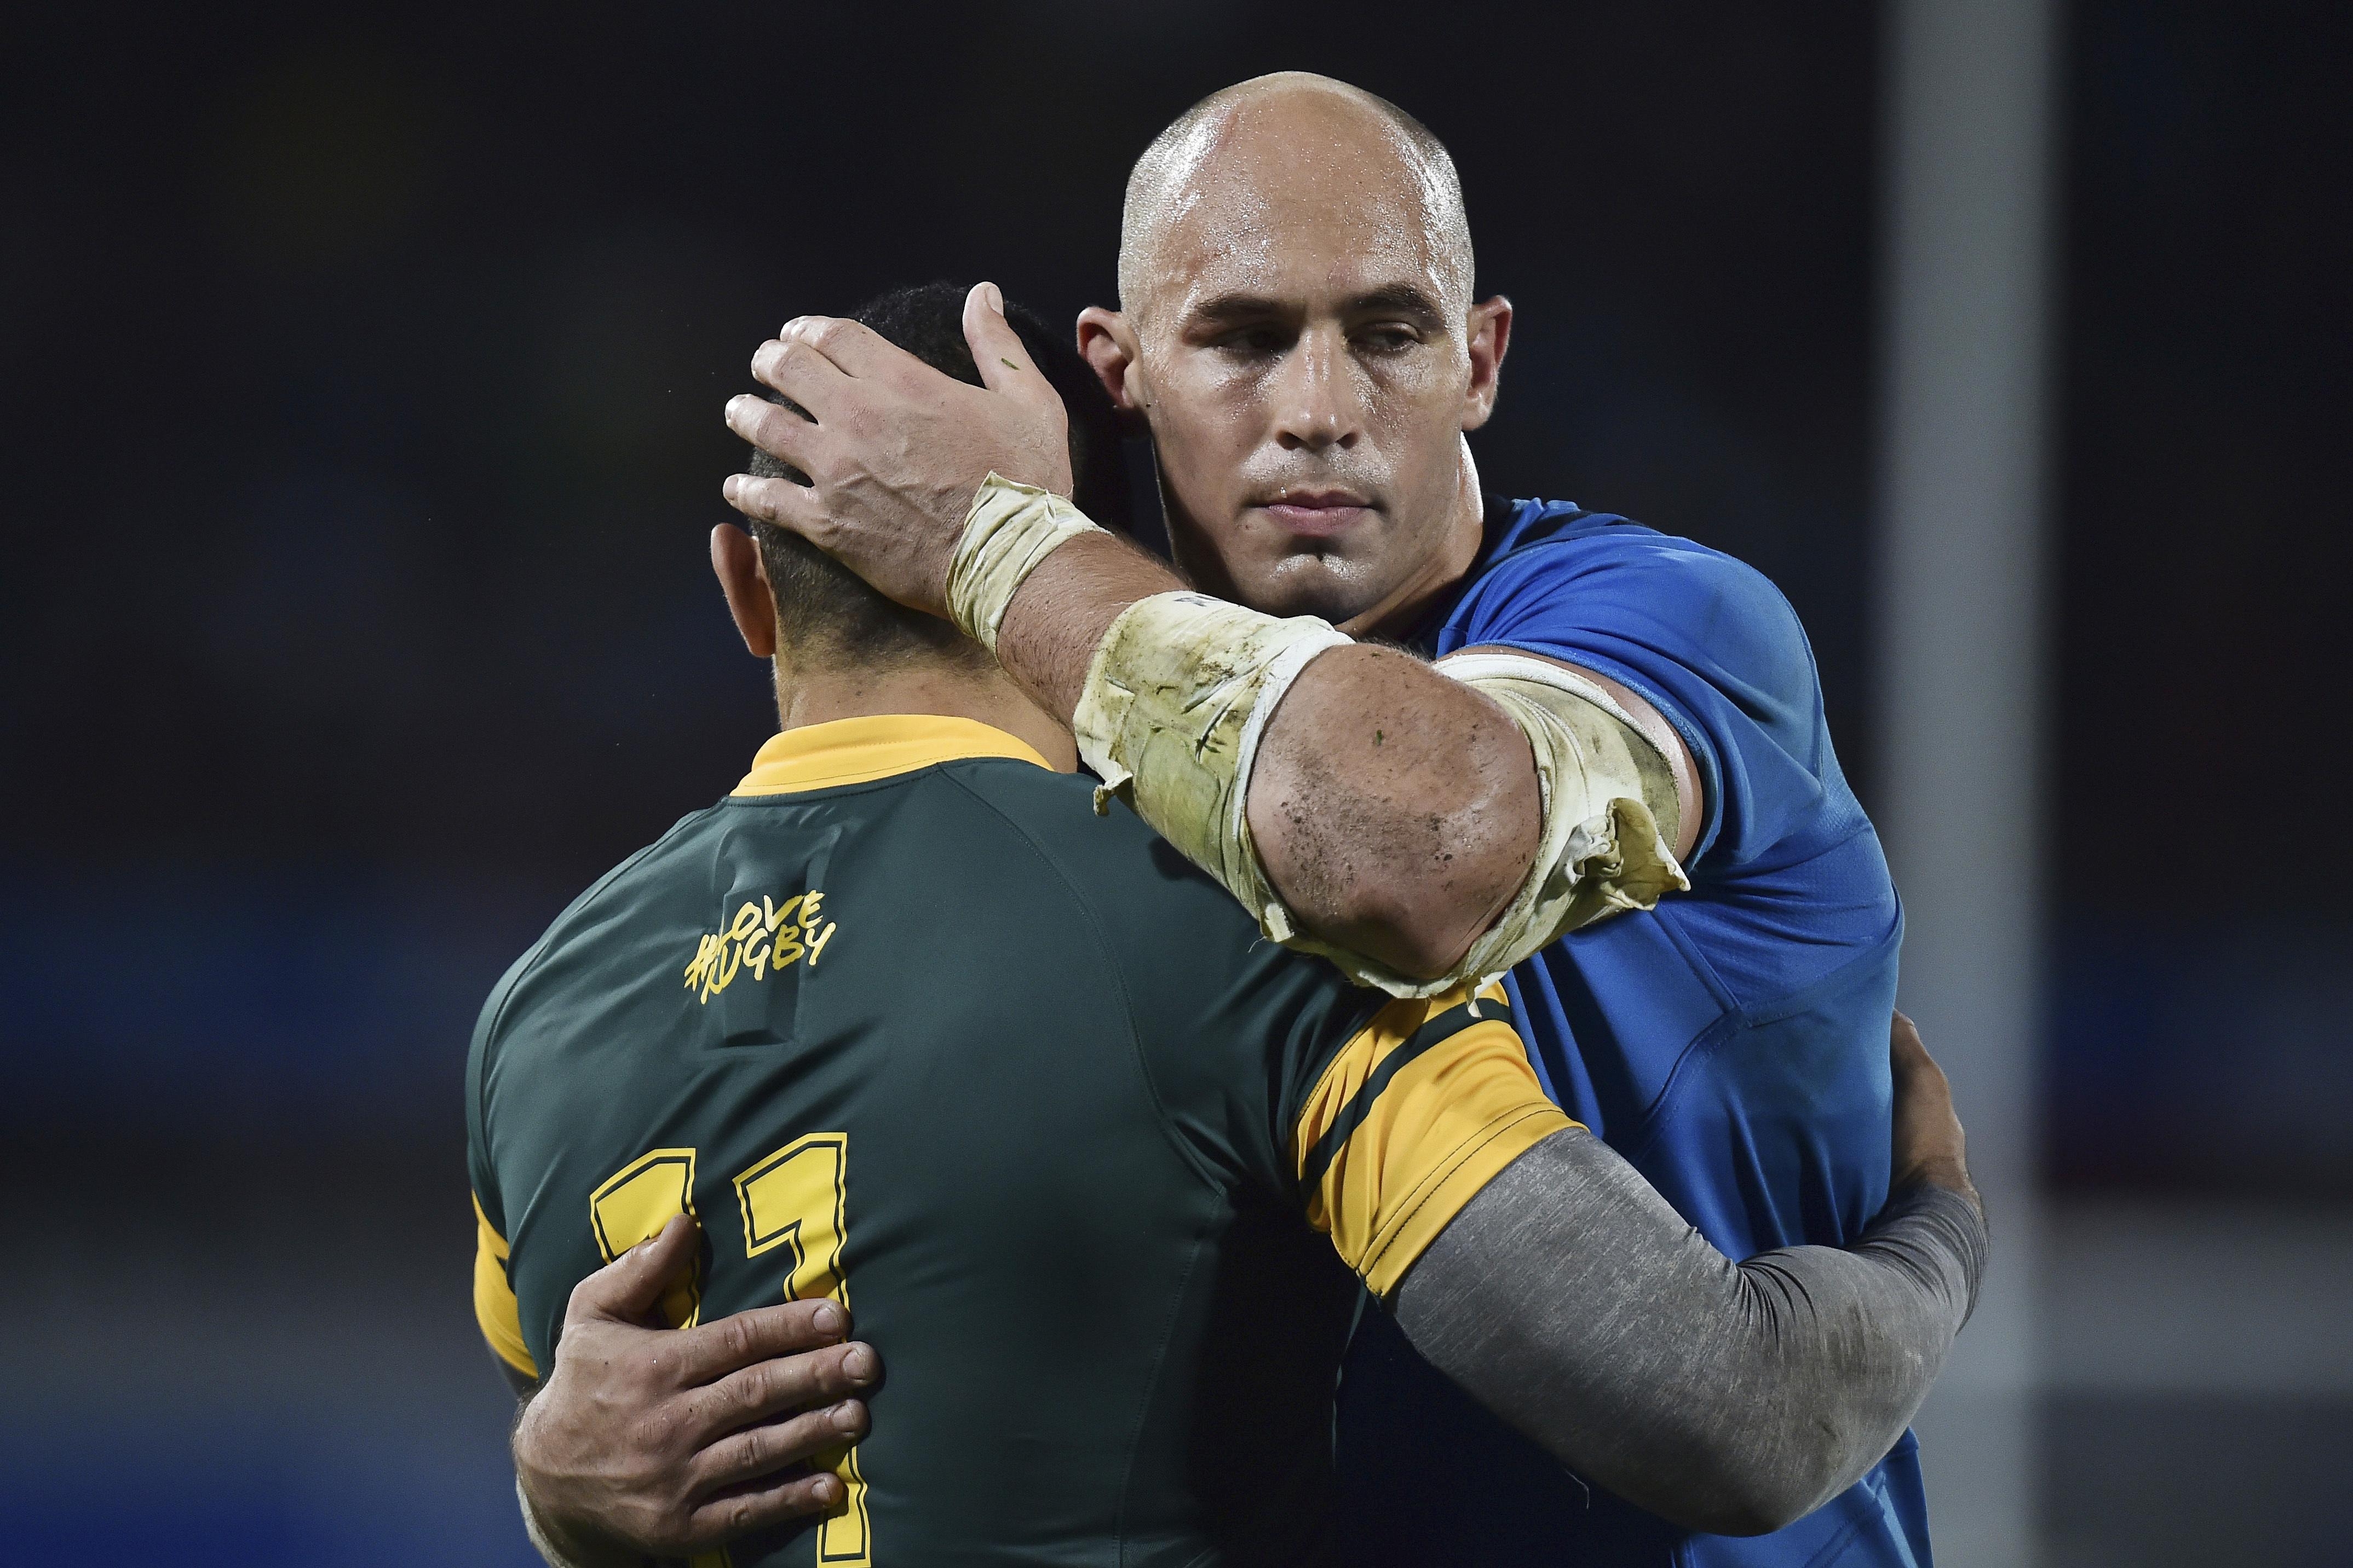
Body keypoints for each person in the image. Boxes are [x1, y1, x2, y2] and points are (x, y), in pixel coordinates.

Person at [477, 283, 1985, 1568]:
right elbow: (1735, 1414)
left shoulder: (533, 1017)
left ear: (746, 588)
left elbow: (613, 1427)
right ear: (1098, 567)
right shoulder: (1228, 921)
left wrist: (550, 1488)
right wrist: (1939, 1231)